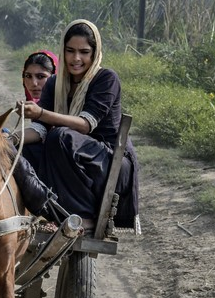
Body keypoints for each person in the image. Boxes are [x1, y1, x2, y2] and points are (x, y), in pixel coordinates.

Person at [15, 19, 139, 228]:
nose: (76, 58)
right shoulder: (55, 83)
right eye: (70, 51)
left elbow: (85, 124)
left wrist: (41, 112)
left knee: (60, 136)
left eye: (84, 52)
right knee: (23, 149)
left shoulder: (106, 79)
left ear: (94, 53)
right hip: (70, 155)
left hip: (108, 162)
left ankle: (83, 217)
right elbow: (39, 129)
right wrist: (8, 139)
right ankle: (45, 211)